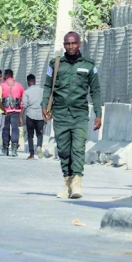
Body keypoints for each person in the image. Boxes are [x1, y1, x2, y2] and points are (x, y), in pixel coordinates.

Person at [42, 32, 102, 200]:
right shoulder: (55, 64)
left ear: (79, 44)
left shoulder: (89, 65)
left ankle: (77, 183)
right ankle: (67, 183)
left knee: (78, 148)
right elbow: (48, 87)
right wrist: (44, 105)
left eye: (73, 43)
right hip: (60, 114)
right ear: (64, 45)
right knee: (63, 151)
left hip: (80, 114)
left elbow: (96, 90)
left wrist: (98, 113)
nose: (70, 47)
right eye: (67, 44)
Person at [21, 73, 46, 160]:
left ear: (28, 82)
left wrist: (21, 116)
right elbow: (46, 102)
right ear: (35, 81)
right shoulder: (42, 90)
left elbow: (24, 105)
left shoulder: (26, 92)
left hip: (30, 115)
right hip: (40, 115)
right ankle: (39, 146)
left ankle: (31, 154)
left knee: (30, 135)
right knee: (40, 133)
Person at [0, 68, 24, 157]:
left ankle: (5, 148)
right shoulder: (19, 85)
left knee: (5, 129)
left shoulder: (1, 85)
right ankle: (14, 149)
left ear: (6, 75)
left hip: (5, 110)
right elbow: (22, 97)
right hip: (16, 110)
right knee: (15, 129)